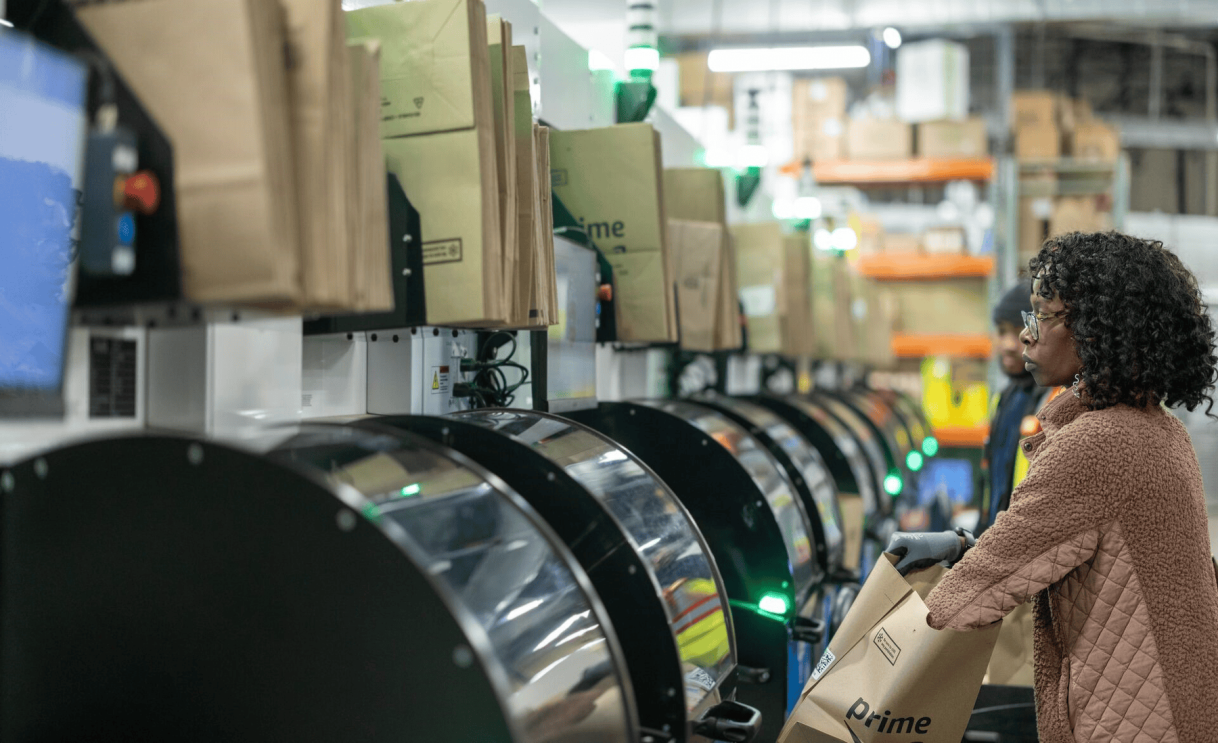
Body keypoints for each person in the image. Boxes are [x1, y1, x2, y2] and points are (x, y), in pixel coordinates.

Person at [888, 232, 1218, 742]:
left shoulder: (1098, 444)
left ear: (1094, 329)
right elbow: (1079, 549)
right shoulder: (1156, 427)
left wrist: (873, 649)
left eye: (1040, 316)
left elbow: (969, 597)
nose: (1025, 336)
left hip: (1134, 722)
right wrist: (965, 548)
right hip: (1178, 706)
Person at [978, 284, 1057, 534]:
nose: (1009, 344)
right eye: (1002, 331)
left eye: (1018, 330)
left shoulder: (1056, 402)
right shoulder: (1004, 399)